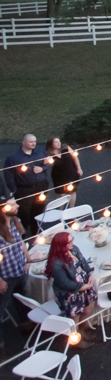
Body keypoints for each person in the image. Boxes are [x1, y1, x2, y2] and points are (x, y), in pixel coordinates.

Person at [45, 232, 96, 348]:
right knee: (74, 318)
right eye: (69, 242)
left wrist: (89, 274)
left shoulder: (74, 249)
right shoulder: (56, 263)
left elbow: (83, 262)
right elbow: (65, 283)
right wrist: (81, 287)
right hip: (70, 293)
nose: (72, 243)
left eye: (72, 240)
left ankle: (82, 332)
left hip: (83, 285)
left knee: (88, 309)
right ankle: (75, 339)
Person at [0, 200, 31, 356]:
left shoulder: (14, 221)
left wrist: (28, 259)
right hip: (5, 276)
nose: (17, 205)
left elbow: (21, 243)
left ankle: (26, 324)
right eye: (13, 204)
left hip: (20, 270)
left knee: (21, 297)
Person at [3, 134, 49, 236]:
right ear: (23, 142)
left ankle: (36, 231)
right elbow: (8, 174)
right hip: (24, 190)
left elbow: (50, 161)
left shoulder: (40, 152)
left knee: (38, 209)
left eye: (35, 142)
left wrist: (42, 168)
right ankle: (22, 234)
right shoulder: (13, 158)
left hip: (40, 187)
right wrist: (14, 189)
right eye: (30, 142)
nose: (33, 144)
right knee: (24, 213)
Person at [46, 138, 83, 207]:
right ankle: (61, 213)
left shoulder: (66, 148)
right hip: (59, 176)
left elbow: (75, 157)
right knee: (61, 194)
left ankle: (71, 211)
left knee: (72, 191)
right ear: (51, 144)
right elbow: (46, 164)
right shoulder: (49, 154)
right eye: (56, 142)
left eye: (59, 141)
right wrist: (47, 160)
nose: (59, 143)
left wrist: (79, 168)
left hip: (71, 173)